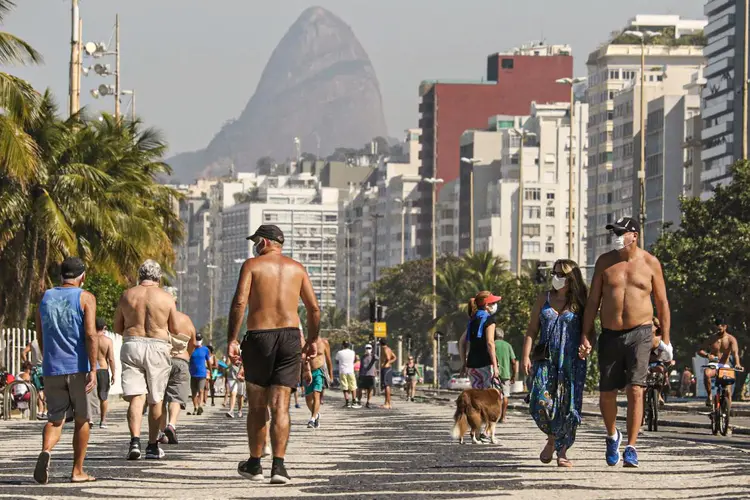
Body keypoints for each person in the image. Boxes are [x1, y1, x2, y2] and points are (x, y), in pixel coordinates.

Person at [227, 224, 319, 484]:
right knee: (281, 405)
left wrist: (232, 339)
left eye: (256, 241)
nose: (255, 246)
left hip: (259, 336)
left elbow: (239, 303)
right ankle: (279, 467)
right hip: (290, 337)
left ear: (265, 242)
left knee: (257, 403)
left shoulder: (252, 265)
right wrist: (311, 340)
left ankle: (255, 464)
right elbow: (314, 309)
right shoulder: (297, 268)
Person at [580, 217, 672, 468]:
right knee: (606, 393)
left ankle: (631, 446)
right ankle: (612, 435)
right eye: (614, 232)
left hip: (641, 333)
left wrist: (665, 339)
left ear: (635, 235)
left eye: (621, 232)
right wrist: (585, 334)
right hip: (610, 334)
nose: (617, 236)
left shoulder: (650, 263)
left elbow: (662, 303)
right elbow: (592, 302)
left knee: (636, 389)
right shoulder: (604, 262)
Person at [34, 257, 99, 484]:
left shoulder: (45, 297)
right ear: (82, 276)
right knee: (82, 419)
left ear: (61, 275)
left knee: (55, 419)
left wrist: (47, 358)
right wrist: (93, 367)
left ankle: (46, 451)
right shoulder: (85, 297)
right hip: (78, 367)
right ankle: (77, 471)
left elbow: (40, 334)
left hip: (52, 367)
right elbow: (91, 334)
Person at [522, 259, 588, 467]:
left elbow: (590, 332)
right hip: (546, 360)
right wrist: (525, 355)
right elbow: (532, 329)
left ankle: (561, 450)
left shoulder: (580, 301)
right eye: (554, 273)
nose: (556, 278)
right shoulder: (544, 298)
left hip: (571, 361)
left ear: (571, 278)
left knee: (568, 406)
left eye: (561, 274)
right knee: (539, 401)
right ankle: (552, 436)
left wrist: (587, 346)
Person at [114, 259, 176, 461]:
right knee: (155, 398)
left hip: (132, 343)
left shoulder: (127, 295)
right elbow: (174, 328)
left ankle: (134, 441)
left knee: (136, 396)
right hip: (157, 346)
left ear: (139, 275)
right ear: (158, 277)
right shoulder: (166, 298)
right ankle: (151, 446)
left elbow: (117, 327)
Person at [158, 286, 196, 445]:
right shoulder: (185, 319)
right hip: (181, 360)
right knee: (176, 398)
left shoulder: (158, 318)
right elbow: (193, 343)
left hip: (161, 360)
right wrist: (186, 354)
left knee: (159, 397)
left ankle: (161, 433)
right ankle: (171, 425)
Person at [459, 291, 502, 390]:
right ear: (487, 305)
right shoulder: (489, 320)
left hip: (472, 365)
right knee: (491, 397)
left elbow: (462, 342)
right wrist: (495, 366)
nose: (495, 305)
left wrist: (464, 363)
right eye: (493, 303)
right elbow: (490, 343)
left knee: (478, 398)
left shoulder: (472, 320)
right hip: (486, 363)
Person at [697, 318, 743, 406]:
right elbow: (700, 350)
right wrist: (707, 355)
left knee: (728, 392)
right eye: (716, 328)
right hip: (714, 364)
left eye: (720, 328)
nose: (718, 330)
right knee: (706, 373)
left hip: (725, 365)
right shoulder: (711, 338)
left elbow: (735, 353)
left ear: (725, 327)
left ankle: (727, 414)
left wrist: (737, 364)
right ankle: (709, 396)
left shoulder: (731, 339)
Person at [303, 335, 332, 427]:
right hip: (308, 372)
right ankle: (316, 414)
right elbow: (302, 357)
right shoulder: (305, 342)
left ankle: (312, 419)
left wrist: (331, 375)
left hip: (319, 371)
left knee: (316, 394)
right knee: (308, 399)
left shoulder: (324, 342)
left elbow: (328, 359)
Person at [94, 318, 115, 428]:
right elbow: (111, 358)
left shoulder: (90, 339)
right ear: (104, 328)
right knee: (103, 396)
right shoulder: (107, 341)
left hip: (91, 369)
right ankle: (103, 420)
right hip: (103, 369)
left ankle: (89, 419)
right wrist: (114, 373)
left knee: (88, 395)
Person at [494, 329, 517, 422]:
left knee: (495, 396)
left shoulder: (492, 344)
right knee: (505, 396)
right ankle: (503, 417)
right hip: (506, 375)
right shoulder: (508, 345)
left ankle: (495, 416)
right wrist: (513, 375)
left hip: (494, 374)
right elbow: (513, 362)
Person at [22, 339, 46, 419]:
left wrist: (27, 363)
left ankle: (40, 411)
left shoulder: (33, 342)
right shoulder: (48, 339)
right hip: (46, 367)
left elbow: (23, 353)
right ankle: (44, 411)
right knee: (46, 390)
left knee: (39, 390)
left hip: (35, 369)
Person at [189, 333, 211, 415]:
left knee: (201, 390)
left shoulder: (205, 349)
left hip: (202, 374)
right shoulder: (191, 349)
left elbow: (208, 361)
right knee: (194, 392)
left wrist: (210, 371)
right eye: (196, 339)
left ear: (201, 340)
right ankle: (195, 407)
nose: (198, 341)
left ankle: (200, 405)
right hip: (192, 374)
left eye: (199, 339)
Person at [226, 340, 245, 418]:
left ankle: (240, 410)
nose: (233, 344)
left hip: (242, 373)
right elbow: (230, 355)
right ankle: (231, 411)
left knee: (240, 395)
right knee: (233, 393)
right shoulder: (231, 352)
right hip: (232, 374)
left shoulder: (244, 351)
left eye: (235, 343)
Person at [335, 341, 357, 408]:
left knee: (345, 387)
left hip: (343, 371)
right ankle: (354, 401)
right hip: (351, 371)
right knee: (353, 386)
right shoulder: (352, 352)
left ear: (342, 345)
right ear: (349, 345)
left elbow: (336, 360)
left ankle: (347, 402)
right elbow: (355, 359)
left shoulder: (339, 352)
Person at [379, 339, 397, 409]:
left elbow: (388, 358)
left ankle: (387, 403)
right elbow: (395, 357)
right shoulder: (388, 348)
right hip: (388, 368)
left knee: (387, 386)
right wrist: (390, 362)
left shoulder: (385, 349)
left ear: (380, 343)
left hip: (386, 369)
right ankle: (388, 403)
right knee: (387, 386)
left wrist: (385, 363)